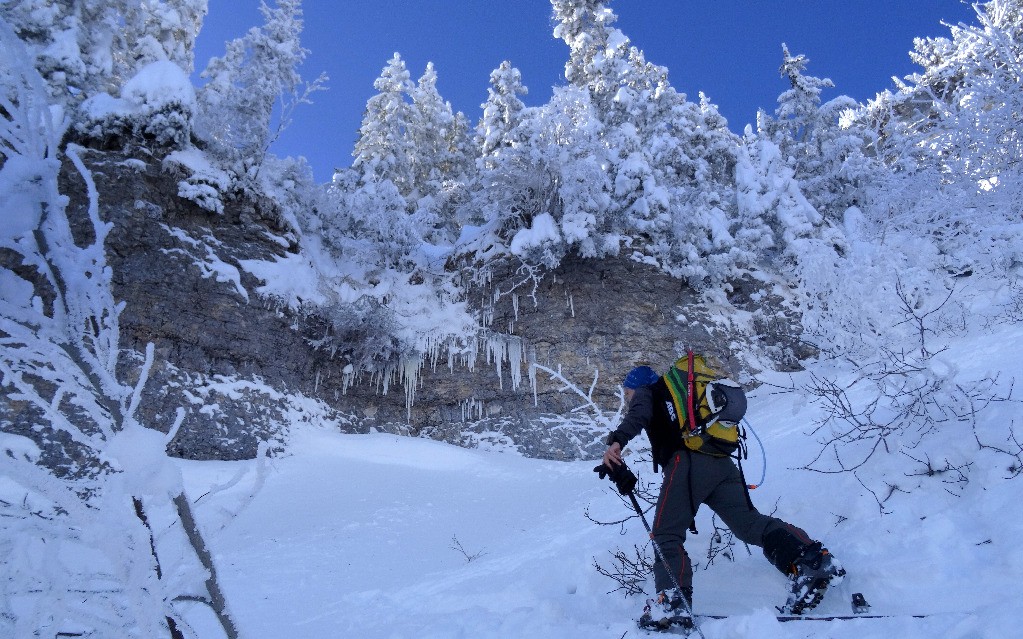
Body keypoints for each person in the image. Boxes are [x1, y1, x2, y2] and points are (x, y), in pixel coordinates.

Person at [600, 364, 844, 629]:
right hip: (720, 462)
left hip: (688, 464)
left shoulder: (647, 391)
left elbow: (638, 414)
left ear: (636, 387)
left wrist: (617, 441)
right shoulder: (677, 398)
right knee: (748, 524)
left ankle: (672, 604)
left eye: (627, 393)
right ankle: (811, 560)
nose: (628, 399)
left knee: (666, 535)